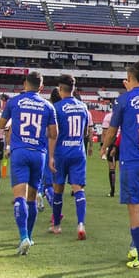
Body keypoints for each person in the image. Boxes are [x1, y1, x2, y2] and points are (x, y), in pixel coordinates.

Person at [101, 61, 139, 269]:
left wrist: (104, 147)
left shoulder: (123, 100)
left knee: (135, 209)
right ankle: (135, 247)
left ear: (128, 78)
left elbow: (112, 130)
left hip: (132, 161)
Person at [0, 73, 57, 255]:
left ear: (24, 84)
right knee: (32, 197)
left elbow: (1, 125)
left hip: (19, 153)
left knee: (19, 197)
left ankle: (23, 236)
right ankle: (30, 237)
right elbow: (54, 133)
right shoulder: (48, 106)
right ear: (41, 87)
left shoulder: (14, 102)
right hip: (38, 154)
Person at [47, 75, 90, 239]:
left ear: (60, 89)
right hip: (78, 151)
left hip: (61, 152)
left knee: (58, 189)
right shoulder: (83, 107)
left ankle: (57, 226)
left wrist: (50, 156)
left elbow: (53, 134)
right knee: (79, 189)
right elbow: (85, 132)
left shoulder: (56, 108)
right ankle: (80, 224)